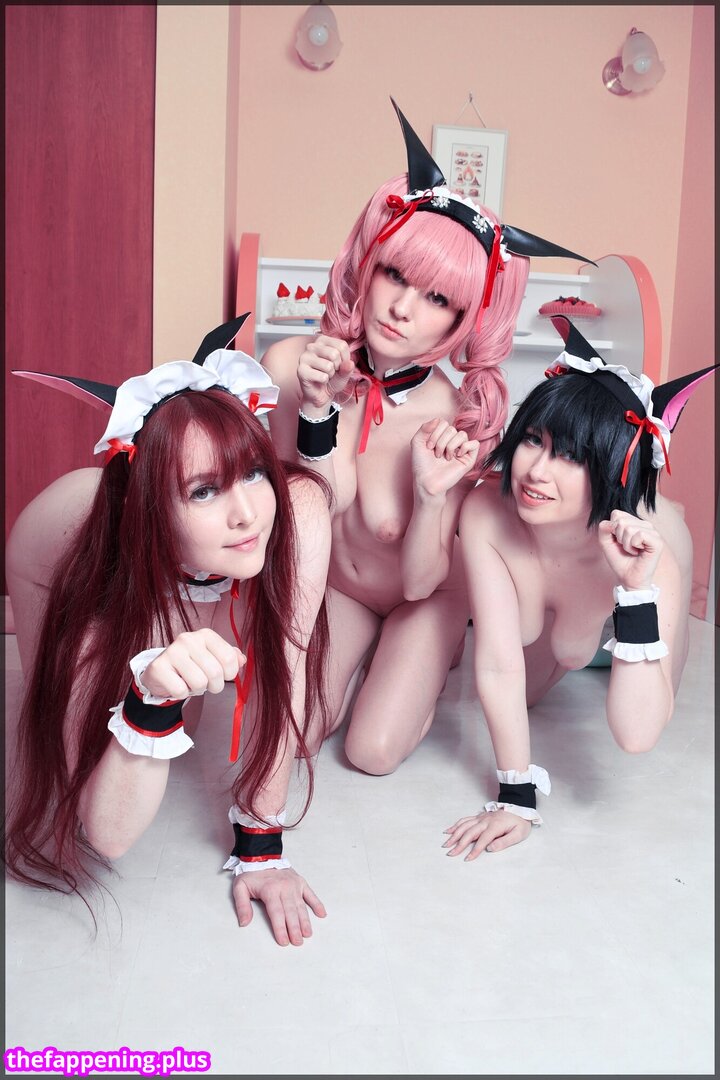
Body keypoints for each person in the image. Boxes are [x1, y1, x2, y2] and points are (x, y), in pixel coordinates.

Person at [263, 99, 593, 775]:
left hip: (426, 597)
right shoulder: (289, 367)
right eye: (396, 274)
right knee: (294, 737)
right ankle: (366, 666)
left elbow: (419, 582)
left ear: (466, 318)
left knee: (372, 752)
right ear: (370, 263)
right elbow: (312, 507)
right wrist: (319, 408)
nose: (403, 308)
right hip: (341, 589)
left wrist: (432, 494)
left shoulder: (455, 417)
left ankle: (427, 665)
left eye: (438, 299)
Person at [4, 316, 333, 948]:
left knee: (199, 698)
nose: (247, 514)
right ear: (154, 508)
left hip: (187, 566)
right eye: (204, 491)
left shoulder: (300, 511)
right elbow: (108, 836)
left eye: (254, 473)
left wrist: (261, 845)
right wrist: (150, 698)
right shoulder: (102, 566)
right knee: (75, 772)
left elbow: (285, 669)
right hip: (55, 560)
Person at [444, 316, 716, 859]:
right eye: (533, 440)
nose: (536, 472)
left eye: (570, 455)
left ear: (611, 469)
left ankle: (598, 632)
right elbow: (497, 666)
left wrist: (635, 590)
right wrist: (516, 796)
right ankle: (577, 642)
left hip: (639, 543)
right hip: (556, 565)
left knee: (641, 690)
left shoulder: (654, 549)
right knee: (534, 683)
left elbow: (636, 736)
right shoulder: (485, 510)